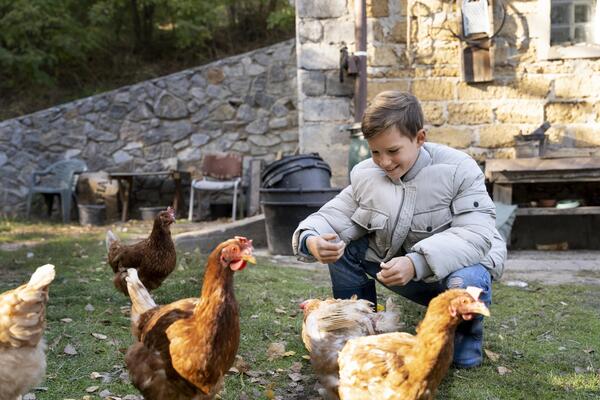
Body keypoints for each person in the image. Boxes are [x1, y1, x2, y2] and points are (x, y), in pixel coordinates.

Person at [292, 91, 506, 368]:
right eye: (375, 152)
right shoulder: (366, 174)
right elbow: (334, 215)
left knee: (467, 285)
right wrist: (311, 240)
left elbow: (476, 235)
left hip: (453, 276)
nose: (384, 162)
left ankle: (465, 338)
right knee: (341, 245)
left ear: (419, 138)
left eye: (393, 151)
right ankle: (359, 325)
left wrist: (416, 262)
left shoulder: (460, 170)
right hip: (399, 270)